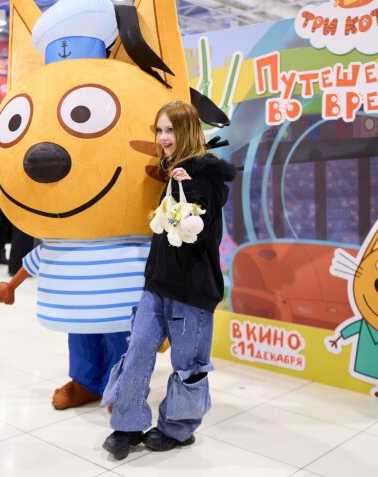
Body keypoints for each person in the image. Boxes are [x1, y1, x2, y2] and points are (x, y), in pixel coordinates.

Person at [101, 101, 237, 459]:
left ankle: (178, 428)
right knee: (137, 352)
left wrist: (190, 189)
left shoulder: (204, 177)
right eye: (160, 130)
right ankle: (127, 425)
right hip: (157, 284)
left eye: (171, 130)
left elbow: (198, 227)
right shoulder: (175, 171)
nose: (163, 138)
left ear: (188, 131)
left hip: (192, 290)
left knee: (189, 365)